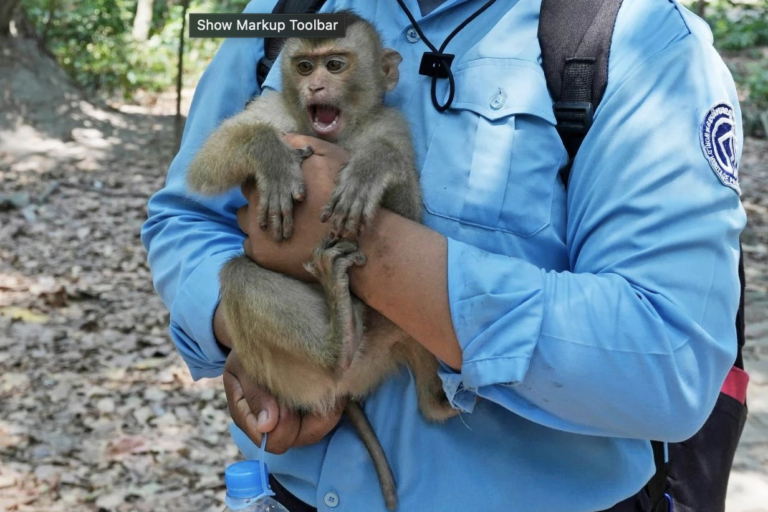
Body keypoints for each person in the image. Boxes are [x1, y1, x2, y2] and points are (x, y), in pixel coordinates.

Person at [141, 0, 747, 510]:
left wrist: (378, 257)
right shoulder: (275, 14)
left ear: (387, 70)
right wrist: (260, 336)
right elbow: (186, 217)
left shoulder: (637, 38)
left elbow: (671, 363)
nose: (316, 83)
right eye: (305, 69)